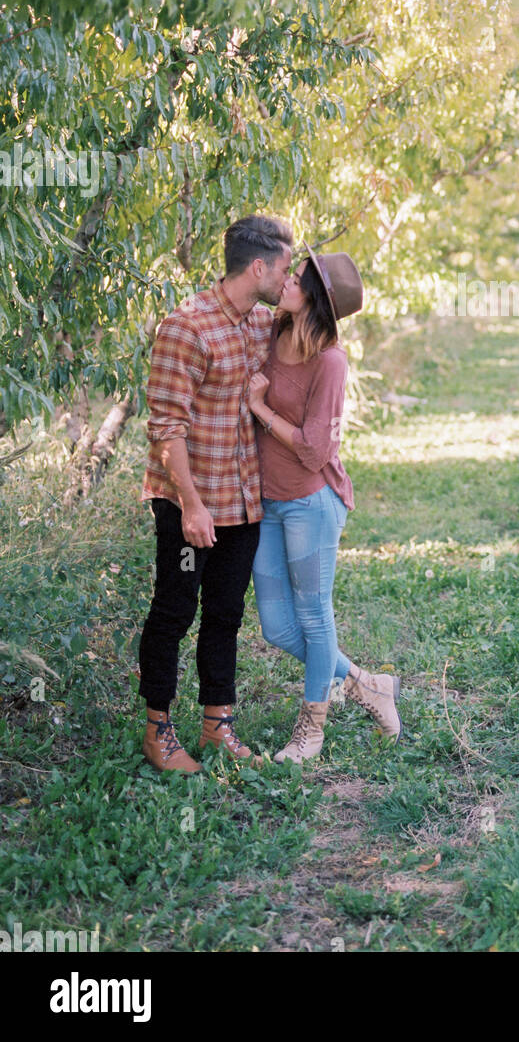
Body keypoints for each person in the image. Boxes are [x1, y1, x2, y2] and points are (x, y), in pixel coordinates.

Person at [137, 214, 294, 773]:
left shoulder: (259, 323)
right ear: (259, 266)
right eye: (284, 267)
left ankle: (216, 726)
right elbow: (166, 428)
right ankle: (158, 730)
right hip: (190, 504)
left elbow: (317, 316)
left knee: (225, 614)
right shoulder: (187, 327)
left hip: (243, 501)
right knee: (175, 612)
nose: (288, 277)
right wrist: (191, 505)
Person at [248, 243, 402, 762]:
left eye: (298, 277)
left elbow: (316, 450)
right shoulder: (272, 331)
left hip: (312, 504)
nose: (286, 279)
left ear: (313, 297)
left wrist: (259, 409)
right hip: (269, 502)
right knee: (277, 626)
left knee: (314, 618)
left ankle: (311, 731)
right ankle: (365, 683)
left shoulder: (330, 363)